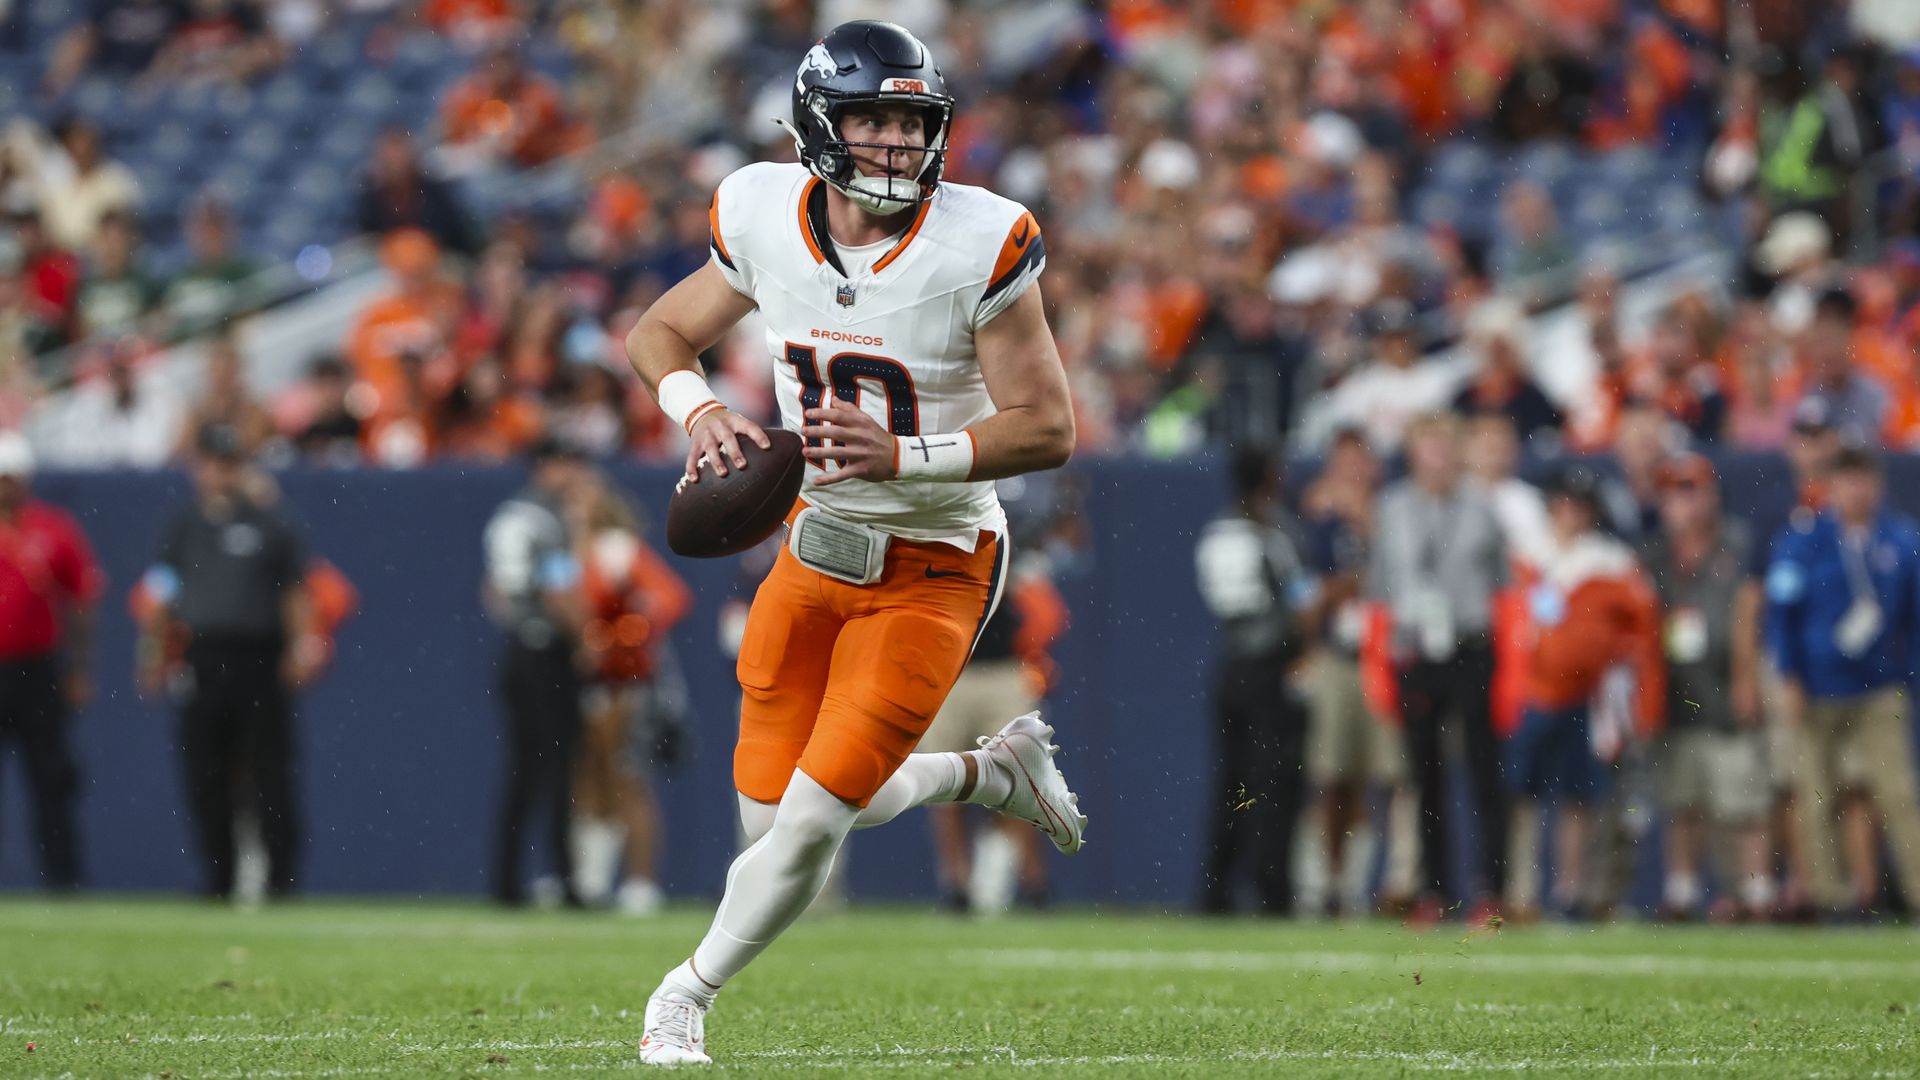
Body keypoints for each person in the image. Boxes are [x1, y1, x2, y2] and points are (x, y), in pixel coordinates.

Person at [622, 22, 1082, 1065]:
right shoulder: (759, 212)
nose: (892, 143)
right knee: (772, 826)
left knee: (812, 826)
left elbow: (1049, 427)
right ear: (819, 126)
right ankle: (983, 773)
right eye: (872, 118)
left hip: (936, 561)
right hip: (814, 544)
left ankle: (682, 996)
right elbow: (657, 333)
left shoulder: (982, 240)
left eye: (910, 122)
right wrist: (698, 412)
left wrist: (903, 456)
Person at [138, 422, 319, 899]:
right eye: (212, 462)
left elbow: (295, 592)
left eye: (229, 462)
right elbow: (162, 594)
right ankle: (218, 878)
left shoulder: (270, 522)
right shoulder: (183, 525)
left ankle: (281, 880)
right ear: (198, 467)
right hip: (203, 655)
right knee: (205, 772)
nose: (219, 472)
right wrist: (153, 654)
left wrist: (303, 646)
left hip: (258, 656)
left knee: (270, 770)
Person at [1766, 446, 1920, 919]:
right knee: (1817, 795)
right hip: (1816, 687)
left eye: (1865, 479)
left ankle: (1916, 895)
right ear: (1831, 485)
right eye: (1848, 480)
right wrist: (1788, 676)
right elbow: (1781, 613)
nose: (1858, 490)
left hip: (1879, 688)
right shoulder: (1804, 539)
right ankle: (1830, 899)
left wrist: (1907, 678)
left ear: (1878, 483)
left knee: (1898, 794)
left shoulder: (1900, 538)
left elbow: (1914, 620)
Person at [1368, 411, 1509, 924]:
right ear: (1412, 452)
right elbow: (1381, 592)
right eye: (1428, 445)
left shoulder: (1482, 505)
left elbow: (1503, 584)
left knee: (1482, 772)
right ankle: (1434, 890)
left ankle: (1491, 889)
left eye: (1446, 445)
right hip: (1416, 650)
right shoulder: (1392, 507)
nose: (1438, 456)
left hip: (1471, 644)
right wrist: (1381, 664)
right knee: (1423, 777)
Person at [1508, 465, 1663, 921]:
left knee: (1581, 797)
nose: (1571, 514)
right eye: (1564, 504)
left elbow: (1643, 637)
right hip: (1530, 693)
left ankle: (1572, 890)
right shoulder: (1523, 556)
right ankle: (1521, 890)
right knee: (1524, 793)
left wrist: (1641, 702)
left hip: (1589, 698)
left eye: (1580, 505)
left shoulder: (1611, 561)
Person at [1641, 453, 1773, 921]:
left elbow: (1748, 608)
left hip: (1723, 681)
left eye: (1691, 488)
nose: (1684, 501)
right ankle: (1682, 891)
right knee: (1683, 800)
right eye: (1675, 490)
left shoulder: (1735, 542)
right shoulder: (1655, 554)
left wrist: (1745, 677)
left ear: (1711, 493)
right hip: (1677, 689)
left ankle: (1756, 894)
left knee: (1744, 800)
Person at [918, 529, 1069, 914]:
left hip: (1003, 669)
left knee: (1023, 781)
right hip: (949, 672)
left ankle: (1034, 884)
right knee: (943, 785)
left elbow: (1048, 614)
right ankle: (956, 886)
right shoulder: (931, 530)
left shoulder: (1007, 533)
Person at [1297, 427, 1414, 917]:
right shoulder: (1318, 524)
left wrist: (1365, 524)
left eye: (1358, 462)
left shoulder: (1394, 516)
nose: (1351, 473)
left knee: (1387, 776)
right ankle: (1323, 883)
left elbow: (1399, 580)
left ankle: (1378, 882)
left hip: (1384, 659)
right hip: (1337, 657)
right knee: (1330, 775)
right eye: (1342, 463)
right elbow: (1303, 600)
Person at [1193, 447, 1315, 916]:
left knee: (1231, 783)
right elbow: (1300, 603)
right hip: (1270, 669)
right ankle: (1272, 890)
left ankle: (1216, 888)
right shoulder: (1274, 530)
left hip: (1231, 667)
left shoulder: (1216, 531)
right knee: (1273, 783)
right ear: (1270, 475)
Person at [568, 471, 692, 916]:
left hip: (628, 682)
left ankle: (641, 885)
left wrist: (616, 641)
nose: (574, 508)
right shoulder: (564, 552)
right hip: (582, 683)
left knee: (629, 781)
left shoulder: (618, 549)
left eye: (582, 499)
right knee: (588, 778)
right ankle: (590, 880)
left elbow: (671, 599)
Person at [482, 435, 591, 908]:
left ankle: (507, 880)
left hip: (519, 648)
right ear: (547, 466)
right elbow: (558, 589)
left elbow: (494, 591)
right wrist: (586, 637)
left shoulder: (511, 513)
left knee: (525, 772)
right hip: (545, 653)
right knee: (558, 771)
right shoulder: (547, 517)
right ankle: (565, 881)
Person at [0, 431, 103, 891]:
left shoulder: (52, 527)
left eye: (12, 477)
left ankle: (63, 878)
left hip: (37, 669)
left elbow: (82, 598)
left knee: (51, 776)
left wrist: (79, 669)